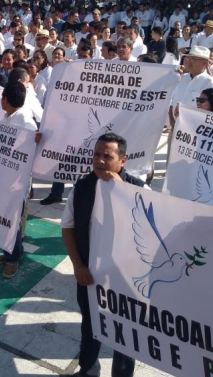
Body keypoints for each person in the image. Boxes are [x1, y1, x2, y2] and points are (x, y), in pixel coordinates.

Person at [62, 133, 147, 377]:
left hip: (126, 280)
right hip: (89, 274)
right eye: (96, 155)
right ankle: (88, 369)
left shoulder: (140, 189)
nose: (99, 161)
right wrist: (78, 266)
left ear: (122, 161)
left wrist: (121, 190)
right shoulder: (82, 187)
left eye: (107, 156)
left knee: (125, 332)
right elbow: (67, 227)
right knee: (89, 325)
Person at [0, 82, 39, 279]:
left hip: (17, 181)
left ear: (7, 100)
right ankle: (9, 252)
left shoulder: (26, 124)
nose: (1, 101)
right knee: (3, 218)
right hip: (4, 178)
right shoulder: (7, 117)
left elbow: (30, 155)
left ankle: (13, 259)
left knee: (13, 221)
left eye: (2, 98)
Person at [169, 46, 213, 128]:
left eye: (194, 59)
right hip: (175, 127)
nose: (190, 62)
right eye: (189, 58)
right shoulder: (182, 78)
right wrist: (172, 121)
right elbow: (171, 101)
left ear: (205, 63)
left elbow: (210, 112)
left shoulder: (209, 83)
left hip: (194, 131)